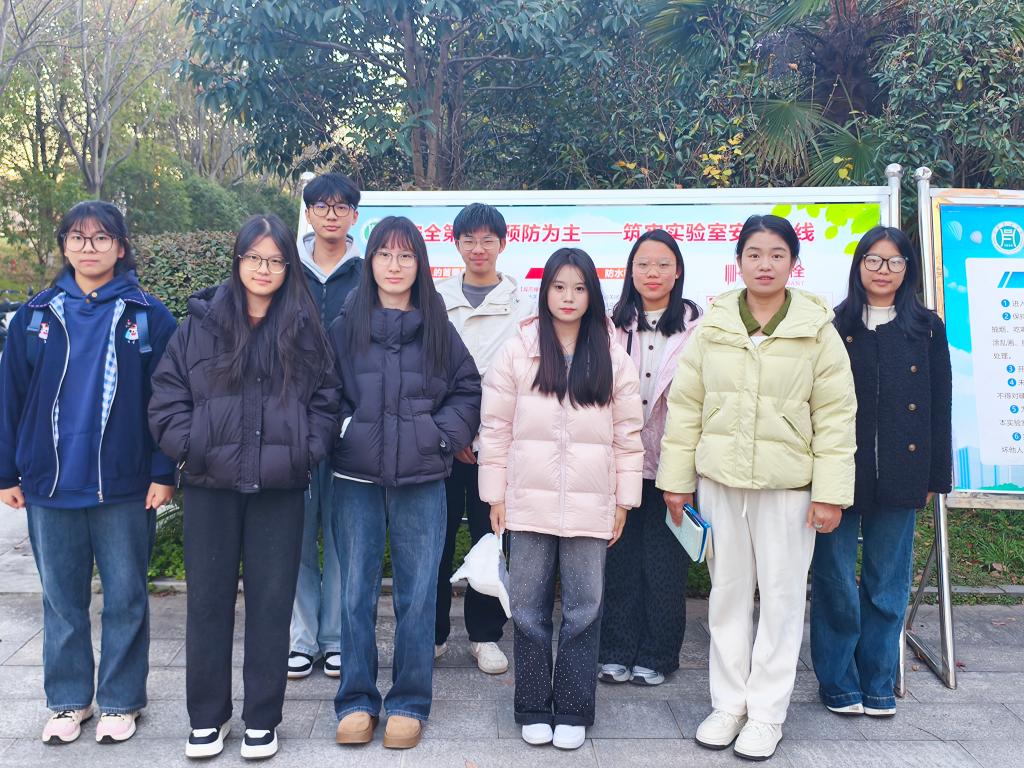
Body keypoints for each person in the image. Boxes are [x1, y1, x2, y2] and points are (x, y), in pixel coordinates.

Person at [658, 214, 856, 761]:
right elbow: (686, 407)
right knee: (726, 596)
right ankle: (728, 704)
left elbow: (836, 417)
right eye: (754, 254)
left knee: (782, 600)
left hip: (788, 488)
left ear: (793, 263)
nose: (764, 264)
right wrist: (676, 482)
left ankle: (767, 713)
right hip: (720, 483)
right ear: (739, 261)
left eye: (776, 254)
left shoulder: (817, 330)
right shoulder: (715, 325)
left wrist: (829, 492)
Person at [148, 214, 340, 760]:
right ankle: (207, 718)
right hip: (210, 485)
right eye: (254, 257)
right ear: (237, 261)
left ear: (288, 267)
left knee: (272, 603)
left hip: (280, 487)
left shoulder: (304, 329)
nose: (263, 269)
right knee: (208, 603)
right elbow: (166, 398)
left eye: (275, 260)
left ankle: (262, 718)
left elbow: (327, 401)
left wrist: (303, 448)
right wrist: (193, 447)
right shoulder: (199, 326)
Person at [0, 201, 177, 745]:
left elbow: (168, 404)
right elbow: (9, 399)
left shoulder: (149, 316)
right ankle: (68, 701)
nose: (88, 247)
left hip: (124, 485)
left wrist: (164, 470)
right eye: (77, 237)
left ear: (120, 247)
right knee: (61, 601)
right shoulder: (35, 316)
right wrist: (6, 473)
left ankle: (121, 701)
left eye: (101, 238)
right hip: (50, 484)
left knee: (126, 597)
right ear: (64, 245)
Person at [478, 248, 643, 751]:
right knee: (528, 610)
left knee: (584, 610)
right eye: (558, 286)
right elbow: (495, 429)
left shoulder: (613, 355)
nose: (568, 297)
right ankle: (532, 705)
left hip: (592, 505)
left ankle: (572, 708)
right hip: (528, 504)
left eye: (579, 287)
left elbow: (628, 436)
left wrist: (623, 502)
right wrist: (495, 495)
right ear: (544, 291)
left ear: (592, 294)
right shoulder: (519, 351)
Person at [329, 216, 480, 750]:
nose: (395, 266)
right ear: (369, 262)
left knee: (417, 595)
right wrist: (343, 432)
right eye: (385, 255)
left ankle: (409, 702)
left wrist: (439, 438)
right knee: (355, 593)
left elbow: (467, 390)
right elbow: (323, 392)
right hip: (355, 477)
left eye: (406, 256)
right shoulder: (346, 325)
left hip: (421, 478)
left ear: (420, 264)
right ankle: (356, 699)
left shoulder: (437, 325)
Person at [810, 226, 952, 717]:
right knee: (833, 580)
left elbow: (939, 405)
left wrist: (936, 476)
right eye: (873, 260)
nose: (883, 270)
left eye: (894, 261)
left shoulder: (927, 328)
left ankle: (877, 682)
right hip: (838, 474)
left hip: (902, 471)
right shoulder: (833, 324)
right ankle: (837, 683)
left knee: (887, 585)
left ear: (907, 269)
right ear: (859, 266)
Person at [599, 229, 701, 687]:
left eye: (663, 264)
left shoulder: (699, 327)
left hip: (671, 464)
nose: (652, 273)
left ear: (677, 271)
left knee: (664, 568)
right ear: (631, 271)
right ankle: (615, 651)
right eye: (643, 264)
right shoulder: (610, 325)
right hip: (618, 463)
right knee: (618, 562)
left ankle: (658, 655)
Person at [434, 203, 532, 675]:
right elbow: (426, 372)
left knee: (490, 538)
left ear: (502, 244)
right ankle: (432, 633)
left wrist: (485, 433)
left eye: (487, 240)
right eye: (469, 240)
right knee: (434, 538)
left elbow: (524, 380)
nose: (478, 248)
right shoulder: (434, 300)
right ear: (456, 244)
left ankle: (485, 634)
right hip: (440, 443)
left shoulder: (524, 307)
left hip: (498, 444)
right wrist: (453, 430)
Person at [289, 172, 363, 681]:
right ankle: (301, 638)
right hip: (291, 423)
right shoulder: (286, 268)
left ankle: (335, 638)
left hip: (348, 422)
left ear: (354, 215)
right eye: (321, 206)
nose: (331, 214)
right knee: (295, 533)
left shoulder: (368, 271)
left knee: (341, 537)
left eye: (341, 207)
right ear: (309, 213)